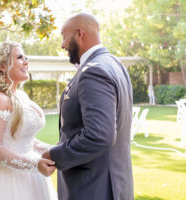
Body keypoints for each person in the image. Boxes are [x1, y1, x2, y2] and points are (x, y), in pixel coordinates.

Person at [42, 13, 134, 200]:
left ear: (79, 34)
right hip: (114, 184)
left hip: (93, 188)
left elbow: (99, 135)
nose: (63, 45)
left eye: (63, 37)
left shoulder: (93, 71)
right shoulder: (115, 64)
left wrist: (54, 155)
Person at [0, 41, 57, 200]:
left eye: (25, 57)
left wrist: (52, 150)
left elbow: (22, 139)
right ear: (2, 66)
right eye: (20, 58)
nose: (26, 62)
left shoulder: (21, 96)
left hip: (31, 178)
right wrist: (34, 165)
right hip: (5, 180)